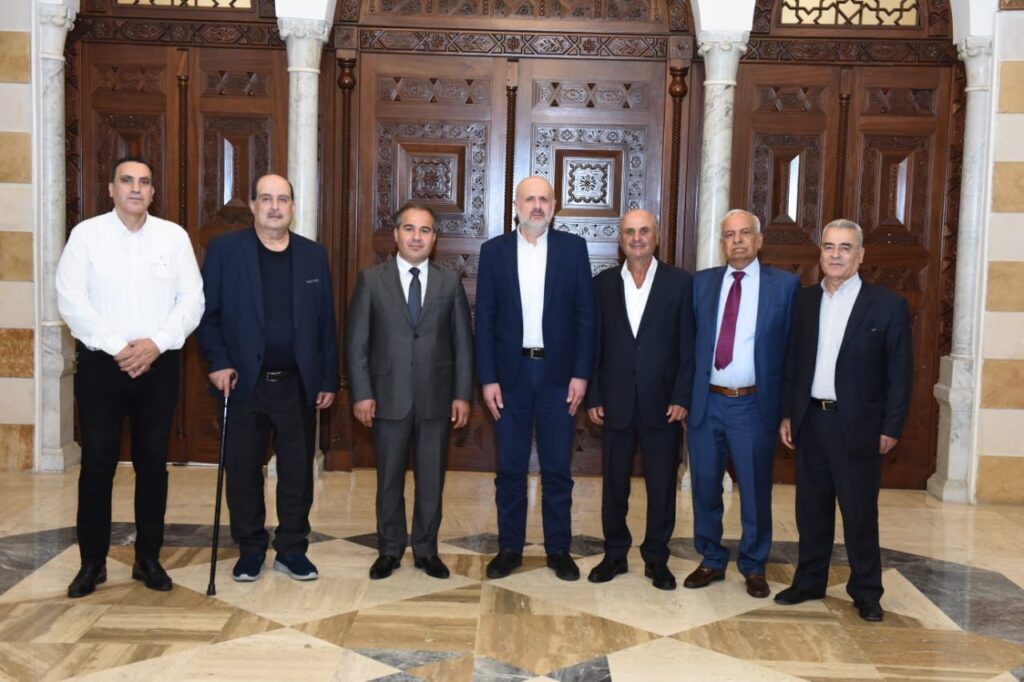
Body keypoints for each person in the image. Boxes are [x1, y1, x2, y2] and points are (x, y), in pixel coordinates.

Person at [56, 156, 205, 598]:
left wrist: (155, 343)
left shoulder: (173, 238)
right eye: (127, 180)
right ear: (111, 189)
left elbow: (192, 300)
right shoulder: (87, 236)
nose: (136, 188)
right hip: (103, 365)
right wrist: (118, 347)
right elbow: (71, 299)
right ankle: (92, 563)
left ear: (153, 192)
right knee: (97, 464)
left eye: (144, 182)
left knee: (152, 464)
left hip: (158, 364)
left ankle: (148, 559)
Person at [197, 173, 338, 583]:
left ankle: (292, 549)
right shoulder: (225, 251)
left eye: (283, 199)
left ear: (292, 206)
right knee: (243, 472)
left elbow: (326, 323)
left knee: (297, 474)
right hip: (243, 383)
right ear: (253, 205)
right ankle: (250, 549)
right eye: (266, 199)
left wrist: (328, 379)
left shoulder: (313, 255)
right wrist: (218, 362)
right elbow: (207, 315)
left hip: (297, 384)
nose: (275, 207)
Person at [775, 218, 912, 622]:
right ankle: (808, 581)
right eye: (829, 246)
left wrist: (891, 426)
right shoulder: (804, 301)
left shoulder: (887, 305)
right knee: (811, 510)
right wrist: (788, 413)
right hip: (810, 422)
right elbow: (792, 363)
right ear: (820, 253)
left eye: (845, 247)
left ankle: (866, 591)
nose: (835, 255)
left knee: (859, 514)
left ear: (860, 255)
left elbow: (900, 374)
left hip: (858, 426)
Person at [475, 176, 596, 581]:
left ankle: (558, 549)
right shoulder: (494, 252)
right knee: (510, 468)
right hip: (509, 376)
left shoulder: (573, 249)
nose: (537, 206)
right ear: (516, 206)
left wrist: (581, 375)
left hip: (559, 377)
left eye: (544, 199)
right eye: (530, 199)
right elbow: (485, 319)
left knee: (557, 468)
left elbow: (586, 317)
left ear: (555, 205)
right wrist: (487, 378)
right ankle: (509, 548)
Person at [346, 202, 474, 581]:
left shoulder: (449, 282)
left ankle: (426, 549)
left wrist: (462, 394)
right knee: (388, 479)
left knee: (431, 479)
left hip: (437, 398)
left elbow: (462, 344)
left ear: (434, 240)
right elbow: (357, 343)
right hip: (387, 397)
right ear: (396, 235)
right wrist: (361, 393)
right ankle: (389, 549)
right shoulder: (372, 280)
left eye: (425, 230)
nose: (417, 237)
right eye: (409, 229)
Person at [686, 209, 799, 598]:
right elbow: (687, 346)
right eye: (730, 235)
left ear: (759, 240)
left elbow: (793, 354)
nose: (737, 241)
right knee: (704, 486)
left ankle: (753, 564)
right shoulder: (701, 284)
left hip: (753, 405)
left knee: (754, 489)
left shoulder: (784, 287)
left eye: (745, 233)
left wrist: (787, 411)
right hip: (707, 403)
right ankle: (711, 558)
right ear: (722, 243)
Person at [585, 209, 694, 590]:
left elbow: (689, 345)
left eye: (644, 231)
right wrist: (594, 393)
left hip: (663, 404)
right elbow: (593, 345)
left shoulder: (680, 283)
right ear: (620, 240)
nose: (637, 238)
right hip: (615, 402)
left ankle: (656, 558)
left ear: (656, 237)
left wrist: (682, 395)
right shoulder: (602, 285)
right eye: (630, 232)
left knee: (661, 487)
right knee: (614, 485)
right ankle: (614, 554)